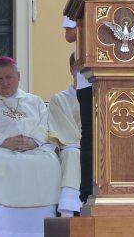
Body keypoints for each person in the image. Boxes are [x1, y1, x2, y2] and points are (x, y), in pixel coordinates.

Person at [0, 56, 61, 237]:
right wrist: (3, 141)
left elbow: (46, 126)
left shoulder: (34, 101)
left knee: (50, 162)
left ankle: (39, 230)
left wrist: (34, 141)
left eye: (9, 77)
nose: (4, 82)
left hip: (33, 149)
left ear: (18, 76)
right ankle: (0, 230)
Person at [62, 0, 123, 203]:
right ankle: (88, 191)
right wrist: (93, 22)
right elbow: (68, 34)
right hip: (91, 74)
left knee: (122, 132)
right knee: (91, 133)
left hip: (123, 75)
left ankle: (122, 186)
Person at [47, 53, 82, 216]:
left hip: (97, 149)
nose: (82, 72)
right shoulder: (58, 99)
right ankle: (69, 208)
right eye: (78, 68)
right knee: (72, 153)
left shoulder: (102, 97)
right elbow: (59, 130)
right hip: (71, 149)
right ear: (71, 70)